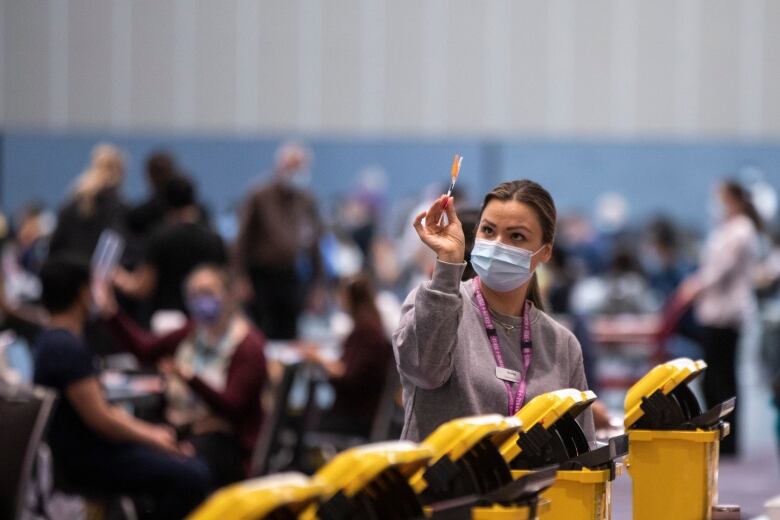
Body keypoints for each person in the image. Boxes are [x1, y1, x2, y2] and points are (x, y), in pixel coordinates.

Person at [393, 180, 595, 442]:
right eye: (488, 231)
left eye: (517, 236)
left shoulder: (562, 345)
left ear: (545, 252)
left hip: (534, 483)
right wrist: (447, 267)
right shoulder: (434, 303)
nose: (498, 244)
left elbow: (582, 451)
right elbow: (425, 372)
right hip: (440, 482)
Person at [33, 257, 209, 519]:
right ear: (83, 293)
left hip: (87, 454)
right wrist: (152, 437)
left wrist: (151, 435)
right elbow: (101, 419)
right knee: (193, 475)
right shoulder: (65, 347)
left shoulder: (52, 341)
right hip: (89, 461)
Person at [98, 264, 267, 486]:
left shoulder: (248, 345)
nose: (201, 300)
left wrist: (189, 378)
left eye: (208, 292)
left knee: (176, 471)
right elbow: (145, 350)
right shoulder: (192, 332)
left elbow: (233, 406)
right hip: (182, 428)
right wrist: (112, 313)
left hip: (225, 441)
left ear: (227, 294)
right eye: (195, 294)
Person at [677, 180, 762, 456]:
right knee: (714, 377)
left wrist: (694, 286)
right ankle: (720, 434)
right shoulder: (727, 229)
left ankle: (729, 439)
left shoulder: (741, 231)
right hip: (715, 311)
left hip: (727, 314)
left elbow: (719, 270)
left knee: (722, 379)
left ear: (733, 199)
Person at [236, 142, 323, 339]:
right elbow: (241, 241)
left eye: (301, 168)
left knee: (290, 333)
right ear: (281, 167)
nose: (297, 173)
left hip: (290, 276)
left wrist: (317, 285)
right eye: (293, 167)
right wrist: (240, 278)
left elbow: (315, 243)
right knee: (260, 333)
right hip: (261, 276)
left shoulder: (306, 199)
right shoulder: (259, 195)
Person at [115, 175, 227, 317]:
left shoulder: (159, 237)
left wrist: (120, 279)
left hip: (166, 323)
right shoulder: (214, 239)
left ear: (166, 204)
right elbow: (225, 284)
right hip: (205, 320)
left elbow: (143, 287)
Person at [302, 274, 394, 437]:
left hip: (356, 417)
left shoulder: (366, 332)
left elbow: (346, 375)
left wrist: (318, 358)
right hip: (360, 412)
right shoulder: (370, 326)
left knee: (303, 424)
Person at [48, 143, 128, 259]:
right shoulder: (119, 208)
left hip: (69, 272)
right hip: (97, 275)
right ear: (120, 173)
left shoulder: (72, 202)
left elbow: (55, 247)